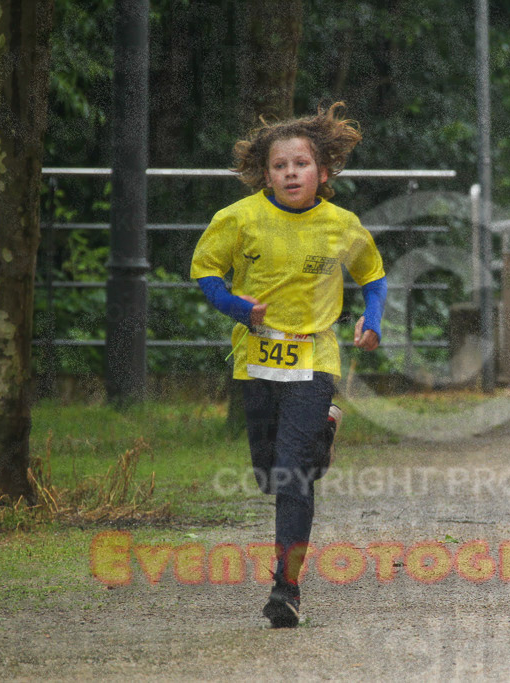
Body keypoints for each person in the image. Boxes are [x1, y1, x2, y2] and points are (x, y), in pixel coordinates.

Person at [190, 102, 387, 627]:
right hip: (255, 356)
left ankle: (287, 588)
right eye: (280, 166)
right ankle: (324, 431)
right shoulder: (238, 218)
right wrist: (237, 307)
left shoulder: (341, 225)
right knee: (270, 474)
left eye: (301, 164)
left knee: (293, 477)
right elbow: (207, 273)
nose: (291, 173)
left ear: (322, 172)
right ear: (266, 173)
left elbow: (374, 275)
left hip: (314, 355)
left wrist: (373, 320)